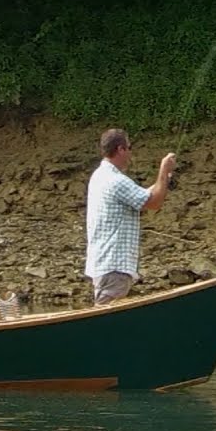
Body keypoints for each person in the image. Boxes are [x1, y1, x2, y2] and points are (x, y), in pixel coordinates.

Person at [85, 129, 175, 305]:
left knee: (106, 319)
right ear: (120, 149)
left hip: (106, 265)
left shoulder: (101, 176)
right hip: (114, 266)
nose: (131, 153)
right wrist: (163, 170)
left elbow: (142, 195)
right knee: (105, 321)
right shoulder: (115, 180)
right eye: (130, 147)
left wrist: (163, 181)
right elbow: (153, 203)